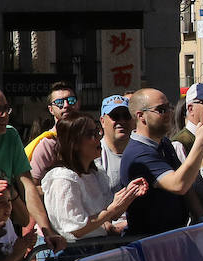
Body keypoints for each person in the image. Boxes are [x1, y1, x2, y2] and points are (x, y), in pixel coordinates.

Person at [40, 114, 148, 247]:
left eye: (97, 131)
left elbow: (110, 214)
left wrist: (128, 195)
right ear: (74, 143)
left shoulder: (96, 173)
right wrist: (112, 210)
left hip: (97, 250)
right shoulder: (63, 179)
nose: (99, 138)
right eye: (91, 134)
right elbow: (75, 229)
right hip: (74, 255)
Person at [0, 84, 65, 252]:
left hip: (4, 233)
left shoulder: (11, 135)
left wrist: (47, 232)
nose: (4, 115)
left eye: (6, 109)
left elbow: (27, 186)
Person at [120, 88, 203, 236]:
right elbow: (179, 184)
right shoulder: (139, 154)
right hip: (151, 243)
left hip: (173, 238)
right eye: (161, 110)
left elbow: (186, 184)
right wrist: (201, 143)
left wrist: (202, 217)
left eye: (169, 107)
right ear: (141, 116)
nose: (169, 114)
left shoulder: (164, 143)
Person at [25, 81, 82, 175]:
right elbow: (34, 184)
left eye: (71, 100)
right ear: (51, 109)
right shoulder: (48, 144)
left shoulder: (87, 138)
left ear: (78, 104)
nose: (66, 105)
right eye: (59, 102)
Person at [92, 95, 134, 189]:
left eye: (126, 116)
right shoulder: (95, 155)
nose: (122, 121)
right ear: (102, 121)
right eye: (115, 116)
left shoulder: (140, 152)